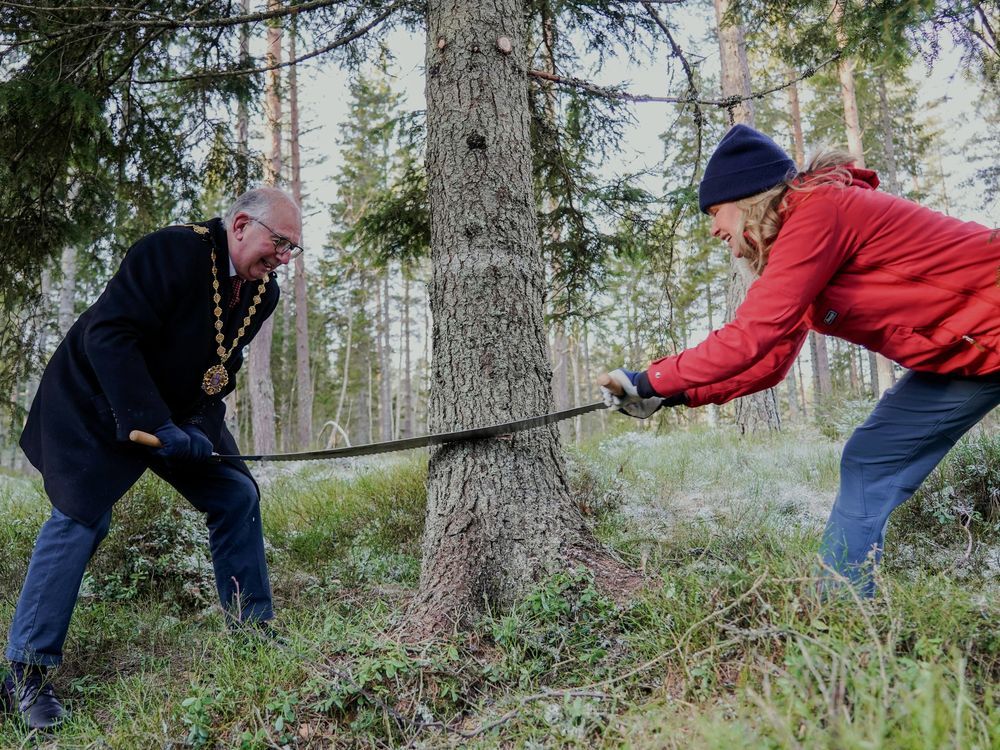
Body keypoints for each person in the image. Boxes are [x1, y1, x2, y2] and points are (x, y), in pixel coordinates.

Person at [601, 124, 1000, 597]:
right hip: (968, 356)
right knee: (871, 458)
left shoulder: (821, 211)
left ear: (748, 199)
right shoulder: (800, 250)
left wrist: (651, 379)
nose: (713, 229)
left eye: (715, 212)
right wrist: (674, 394)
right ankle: (841, 612)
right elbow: (767, 361)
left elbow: (751, 334)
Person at [1, 186, 303, 729]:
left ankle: (254, 635)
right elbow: (109, 336)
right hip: (93, 399)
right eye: (279, 243)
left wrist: (191, 428)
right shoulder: (172, 251)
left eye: (291, 250)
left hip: (176, 412)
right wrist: (157, 422)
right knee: (81, 518)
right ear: (240, 225)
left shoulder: (263, 293)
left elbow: (216, 370)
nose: (282, 258)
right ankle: (25, 675)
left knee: (235, 494)